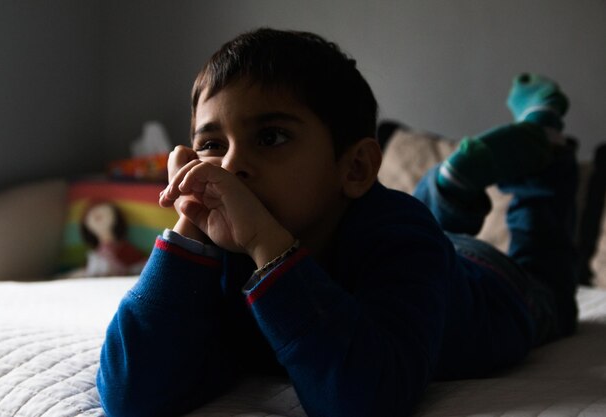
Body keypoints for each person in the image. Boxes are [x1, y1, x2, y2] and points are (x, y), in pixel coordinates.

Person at [96, 28, 578, 417]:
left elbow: (365, 400)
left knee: (548, 283)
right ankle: (450, 185)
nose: (229, 168)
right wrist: (188, 232)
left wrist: (268, 243)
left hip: (486, 284)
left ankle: (544, 143)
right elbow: (130, 395)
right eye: (211, 145)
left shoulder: (400, 240)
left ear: (354, 168)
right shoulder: (218, 248)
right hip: (409, 232)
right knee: (411, 217)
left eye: (271, 136)